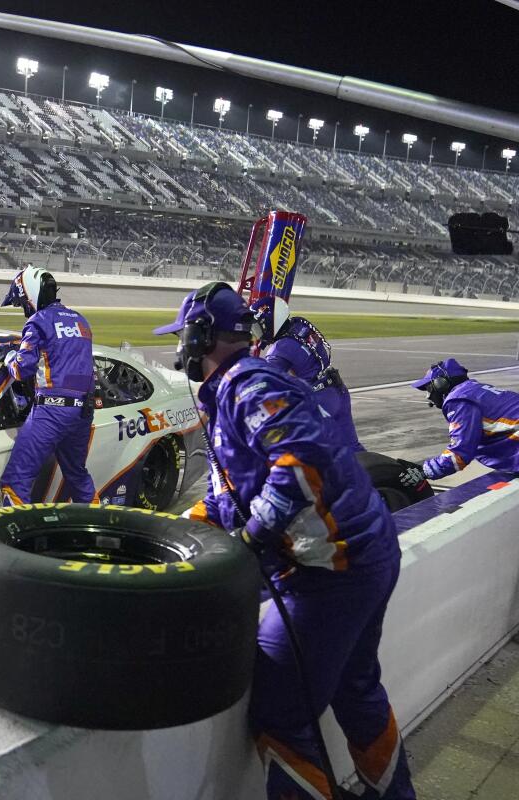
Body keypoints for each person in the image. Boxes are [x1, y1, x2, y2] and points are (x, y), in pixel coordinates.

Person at [156, 282, 415, 800]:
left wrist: (254, 535)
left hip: (332, 572)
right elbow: (233, 493)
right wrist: (180, 531)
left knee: (278, 711)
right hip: (367, 553)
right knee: (355, 686)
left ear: (199, 337)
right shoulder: (246, 384)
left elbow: (301, 463)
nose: (178, 348)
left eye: (182, 336)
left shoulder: (244, 385)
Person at [0, 266, 97, 505]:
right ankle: (99, 533)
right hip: (83, 412)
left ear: (30, 295)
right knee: (78, 477)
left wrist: (7, 356)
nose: (24, 309)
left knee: (15, 482)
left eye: (22, 303)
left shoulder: (38, 321)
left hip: (52, 411)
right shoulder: (81, 320)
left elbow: (21, 370)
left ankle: (18, 540)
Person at [253, 307, 363, 452]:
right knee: (354, 450)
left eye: (258, 328)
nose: (257, 333)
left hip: (318, 402)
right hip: (337, 390)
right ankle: (380, 473)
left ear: (270, 322)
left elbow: (265, 386)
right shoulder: (301, 327)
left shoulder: (279, 349)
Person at [412, 358, 519, 479]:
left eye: (429, 389)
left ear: (441, 384)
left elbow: (459, 454)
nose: (428, 396)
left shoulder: (459, 400)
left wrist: (423, 472)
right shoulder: (475, 390)